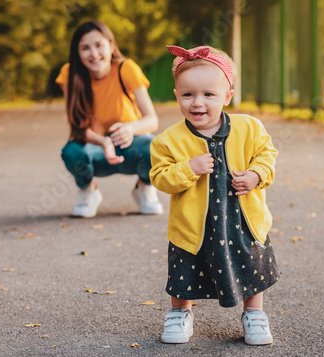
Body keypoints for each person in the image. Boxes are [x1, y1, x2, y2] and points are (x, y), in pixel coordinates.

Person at [149, 45, 279, 345]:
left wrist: (257, 174)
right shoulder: (168, 141)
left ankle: (254, 313)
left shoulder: (249, 127)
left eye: (209, 94)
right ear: (176, 94)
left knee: (251, 264)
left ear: (227, 96)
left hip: (242, 220)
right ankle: (181, 312)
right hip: (194, 227)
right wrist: (188, 168)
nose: (198, 103)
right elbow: (159, 177)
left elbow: (266, 154)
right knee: (184, 269)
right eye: (188, 95)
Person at [55, 20, 163, 218]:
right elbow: (77, 128)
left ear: (111, 46)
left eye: (99, 45)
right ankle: (88, 191)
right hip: (95, 147)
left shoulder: (126, 68)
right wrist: (103, 141)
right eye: (85, 48)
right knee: (71, 151)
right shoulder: (69, 74)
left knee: (154, 145)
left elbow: (151, 120)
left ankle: (144, 188)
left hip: (129, 142)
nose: (94, 53)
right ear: (77, 52)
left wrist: (130, 128)